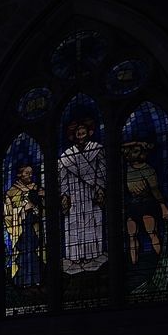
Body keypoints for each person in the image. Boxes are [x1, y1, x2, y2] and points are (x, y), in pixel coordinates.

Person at [58, 115, 108, 274]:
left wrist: (100, 189)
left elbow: (101, 171)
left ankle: (93, 255)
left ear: (89, 132)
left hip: (90, 194)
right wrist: (64, 195)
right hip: (74, 194)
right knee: (74, 224)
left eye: (83, 132)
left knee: (93, 221)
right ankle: (76, 257)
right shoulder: (66, 156)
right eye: (77, 133)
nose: (80, 136)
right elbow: (63, 177)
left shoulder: (97, 149)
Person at [122, 139, 168, 265]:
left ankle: (161, 261)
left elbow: (155, 190)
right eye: (131, 151)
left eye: (137, 151)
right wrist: (135, 143)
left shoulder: (148, 170)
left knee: (151, 232)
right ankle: (133, 264)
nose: (133, 154)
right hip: (133, 205)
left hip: (147, 203)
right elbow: (118, 148)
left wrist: (163, 206)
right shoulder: (126, 169)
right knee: (131, 235)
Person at [3, 163, 45, 287]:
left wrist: (40, 201)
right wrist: (23, 209)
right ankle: (23, 283)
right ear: (19, 174)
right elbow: (8, 215)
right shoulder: (11, 192)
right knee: (24, 255)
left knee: (35, 253)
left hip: (34, 227)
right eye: (27, 173)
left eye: (31, 173)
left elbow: (43, 209)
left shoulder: (36, 188)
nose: (30, 176)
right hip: (21, 230)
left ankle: (36, 281)